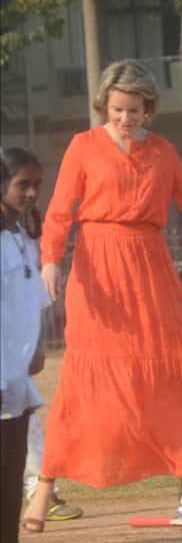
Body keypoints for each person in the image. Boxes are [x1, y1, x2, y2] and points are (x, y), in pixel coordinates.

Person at [20, 59, 182, 531]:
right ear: (104, 106)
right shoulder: (83, 147)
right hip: (98, 270)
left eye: (133, 110)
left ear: (148, 109)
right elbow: (59, 211)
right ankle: (44, 491)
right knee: (83, 381)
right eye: (116, 109)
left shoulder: (162, 152)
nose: (124, 118)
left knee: (179, 373)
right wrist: (51, 260)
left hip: (152, 270)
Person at [1, 148, 48, 541]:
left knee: (12, 477)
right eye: (22, 185)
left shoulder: (23, 235)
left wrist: (35, 347)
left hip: (16, 383)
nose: (32, 193)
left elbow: (31, 299)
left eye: (36, 185)